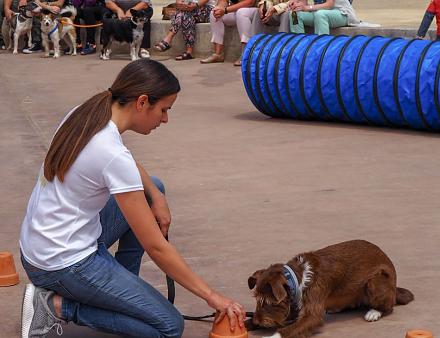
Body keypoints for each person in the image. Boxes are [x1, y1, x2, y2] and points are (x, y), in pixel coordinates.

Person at [20, 59, 246, 338]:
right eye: (163, 110)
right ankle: (54, 306)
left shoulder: (86, 114)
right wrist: (212, 296)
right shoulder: (110, 153)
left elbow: (121, 161)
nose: (165, 119)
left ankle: (121, 295)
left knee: (155, 189)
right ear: (141, 102)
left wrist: (156, 195)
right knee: (168, 326)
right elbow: (156, 247)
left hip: (39, 248)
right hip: (63, 264)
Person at [200, 0, 255, 66]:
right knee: (213, 13)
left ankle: (246, 55)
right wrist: (220, 8)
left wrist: (226, 10)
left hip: (254, 10)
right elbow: (223, 1)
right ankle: (218, 54)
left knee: (241, 12)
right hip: (237, 12)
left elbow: (249, 2)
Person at [289, 0, 359, 35]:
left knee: (320, 14)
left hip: (342, 12)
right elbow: (303, 4)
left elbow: (329, 5)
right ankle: (300, 44)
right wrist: (296, 4)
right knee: (294, 14)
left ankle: (321, 48)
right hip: (319, 12)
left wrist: (307, 8)